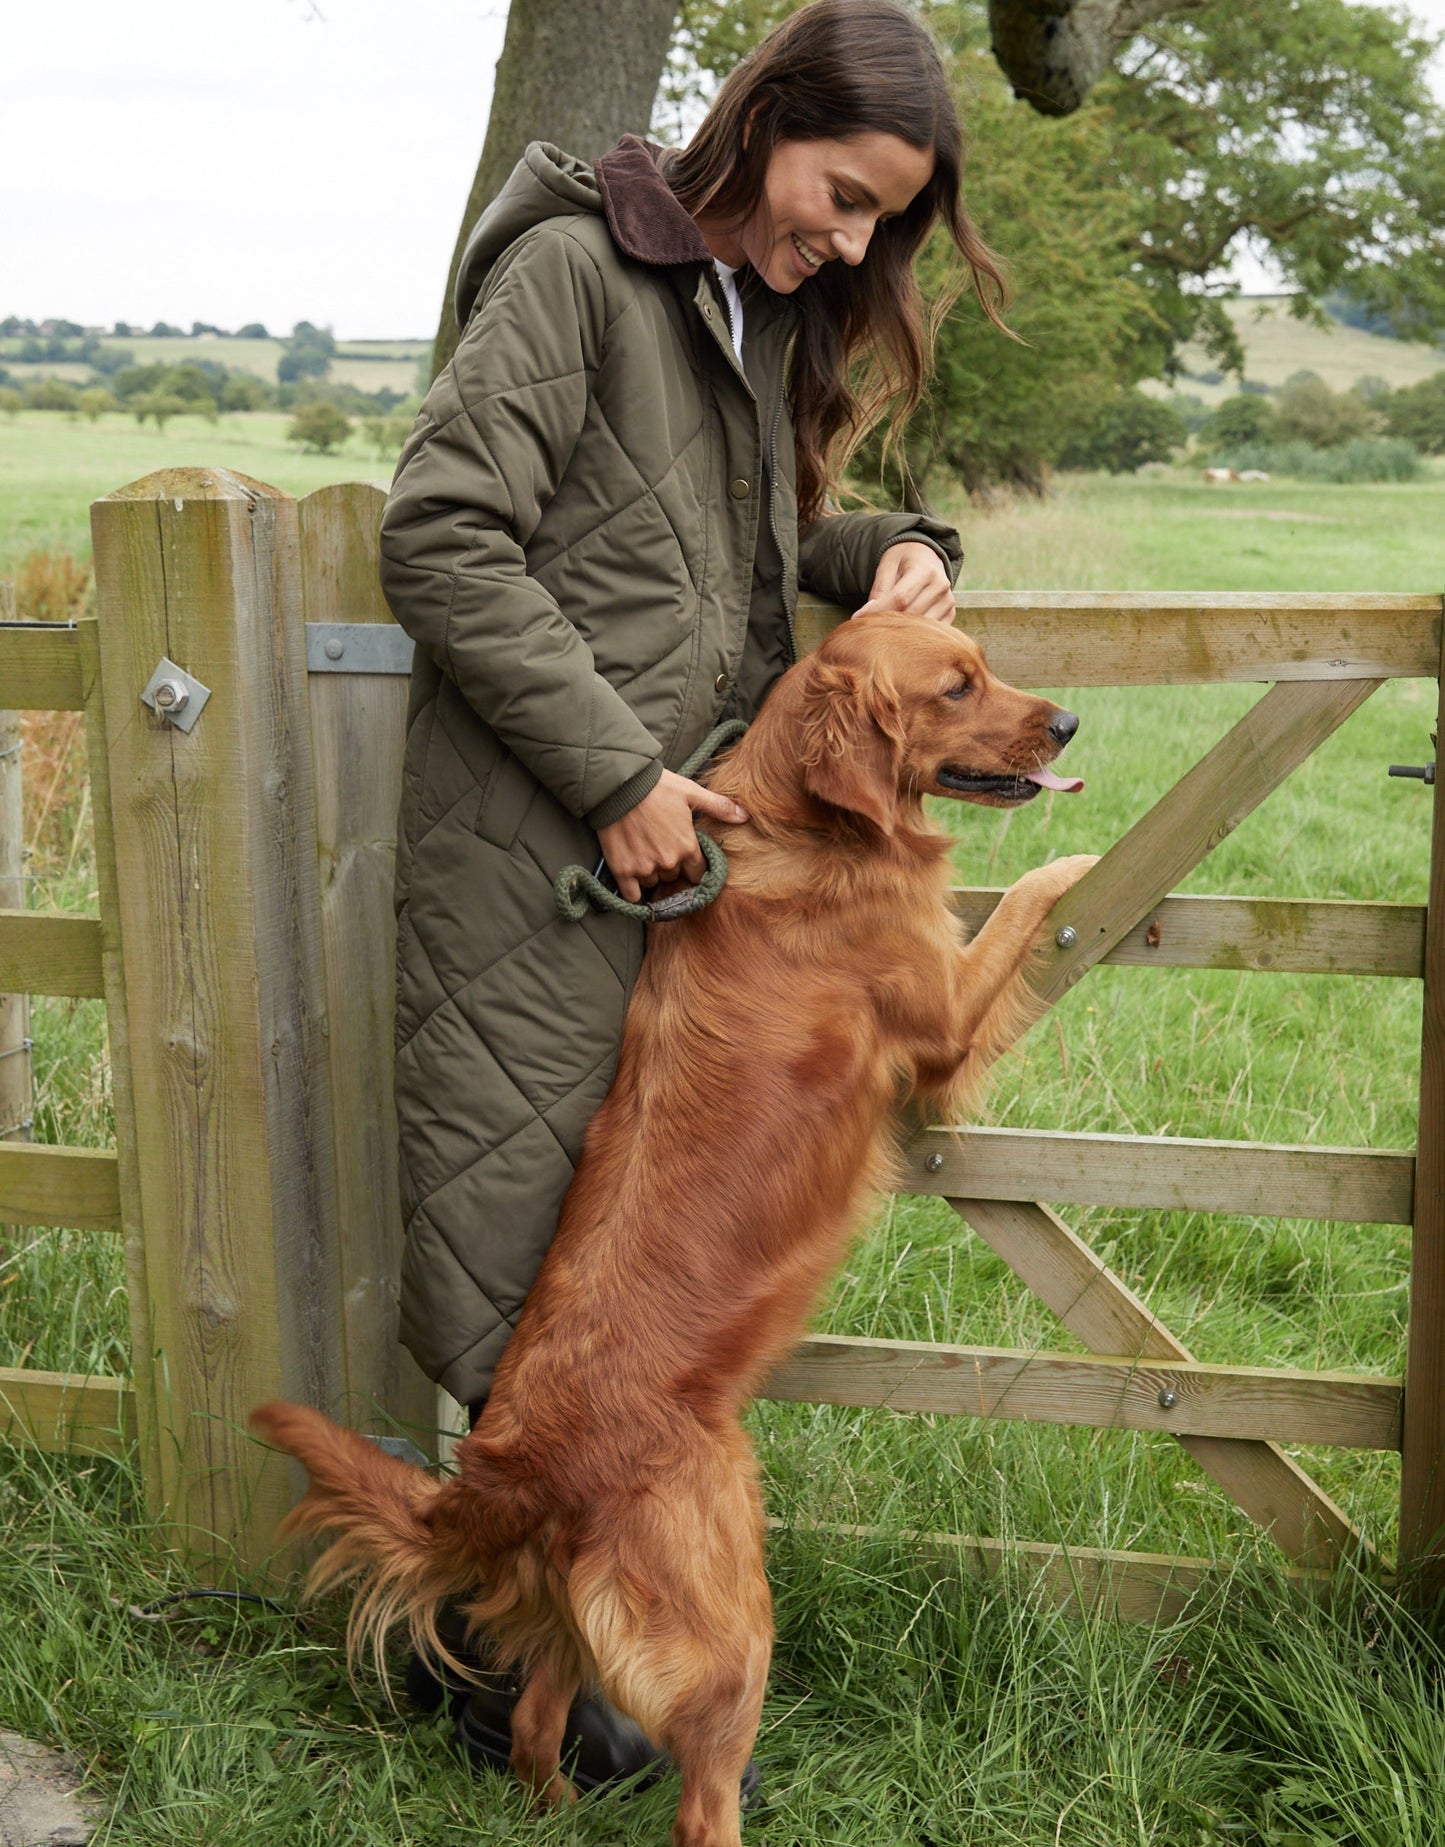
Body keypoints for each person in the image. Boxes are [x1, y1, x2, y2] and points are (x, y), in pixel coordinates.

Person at [377, 0, 1005, 1793]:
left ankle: (557, 1691)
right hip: (542, 862)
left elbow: (699, 555)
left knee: (617, 1291)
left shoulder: (740, 312)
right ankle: (502, 1672)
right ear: (763, 121)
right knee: (533, 1283)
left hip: (675, 871)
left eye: (884, 217)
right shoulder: (580, 272)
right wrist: (613, 772)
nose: (853, 240)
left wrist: (882, 556)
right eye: (841, 192)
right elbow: (440, 531)